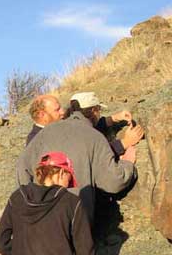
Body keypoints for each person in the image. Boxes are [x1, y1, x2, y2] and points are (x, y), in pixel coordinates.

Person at [17, 92, 137, 222]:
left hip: (47, 216)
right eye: (57, 109)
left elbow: (81, 129)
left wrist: (113, 119)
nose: (62, 112)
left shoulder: (44, 135)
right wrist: (123, 147)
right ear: (42, 115)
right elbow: (88, 152)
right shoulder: (38, 138)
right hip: (71, 214)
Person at [69, 92, 145, 159]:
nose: (100, 113)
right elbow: (97, 155)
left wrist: (114, 118)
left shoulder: (73, 125)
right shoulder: (83, 136)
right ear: (93, 110)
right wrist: (125, 142)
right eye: (99, 109)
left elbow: (93, 127)